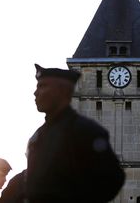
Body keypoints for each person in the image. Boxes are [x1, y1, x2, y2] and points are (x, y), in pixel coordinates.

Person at [24, 64, 125, 202]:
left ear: (61, 91)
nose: (36, 92)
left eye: (42, 86)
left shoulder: (85, 130)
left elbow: (113, 177)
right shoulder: (38, 136)